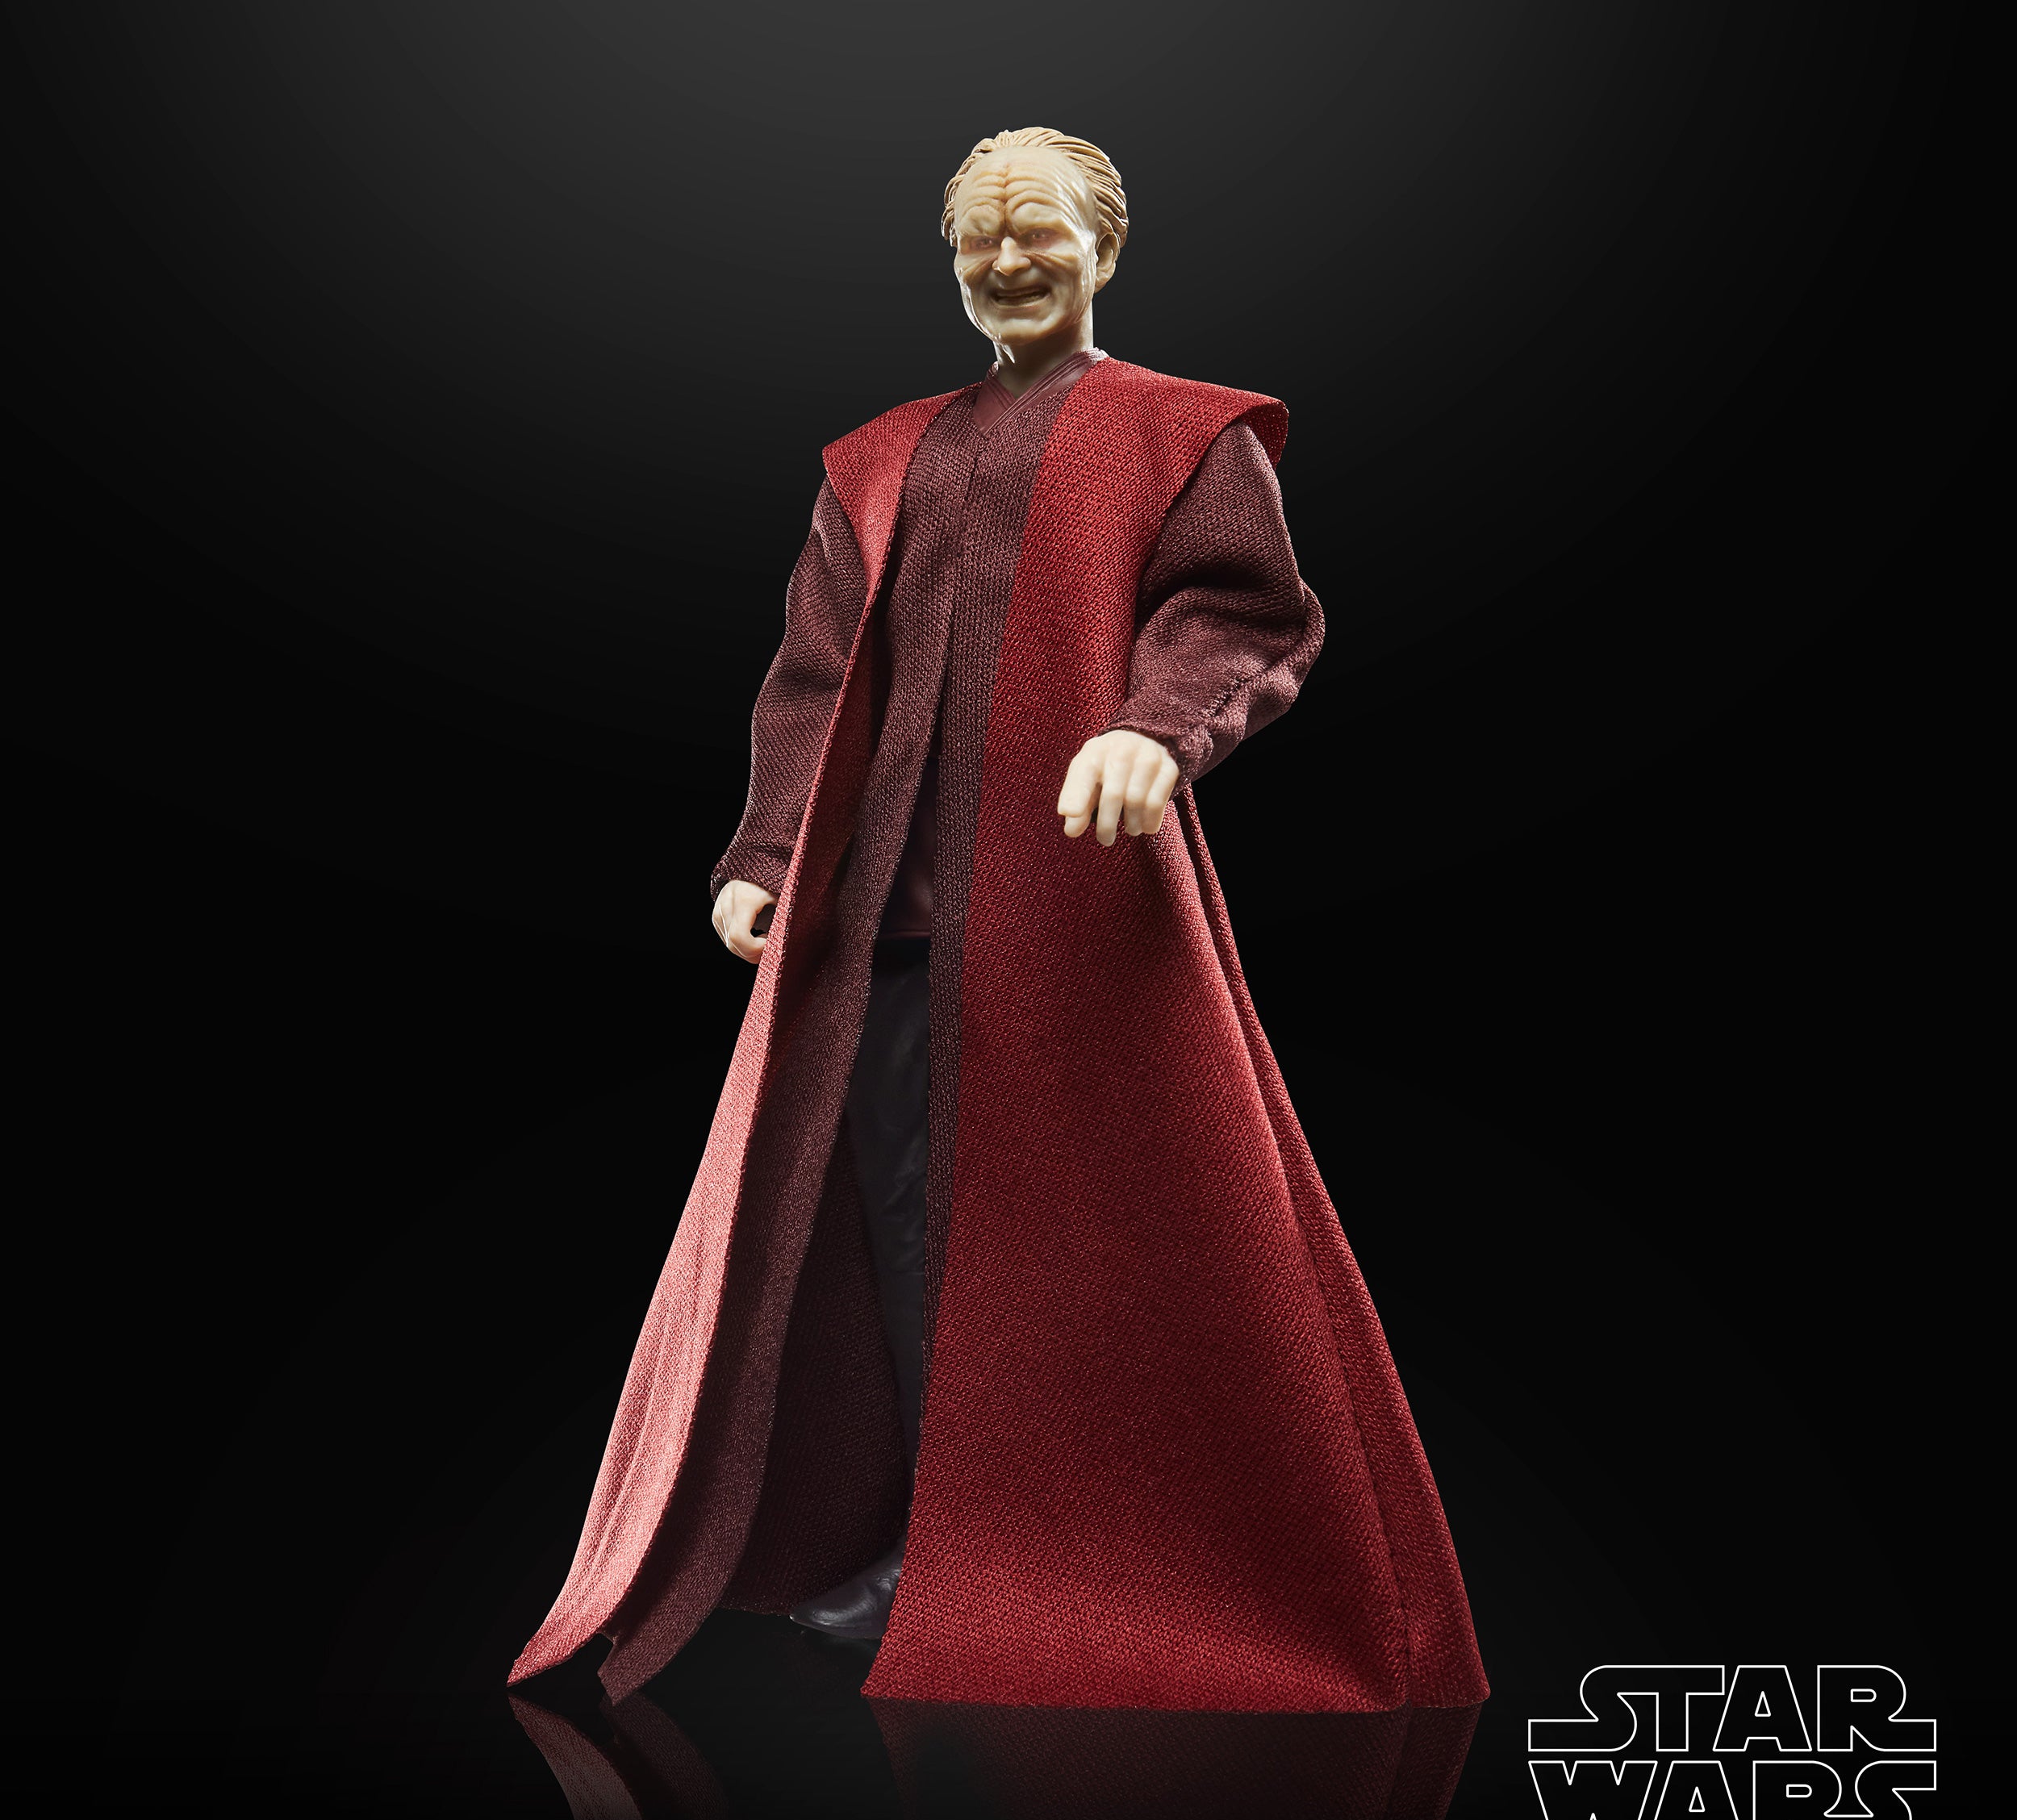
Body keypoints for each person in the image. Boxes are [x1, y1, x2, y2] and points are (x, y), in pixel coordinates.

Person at [510, 128, 1488, 1714]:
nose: (1008, 262)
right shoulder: (879, 456)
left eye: (1038, 231)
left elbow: (1240, 606)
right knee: (909, 1238)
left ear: (1104, 246)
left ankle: (1120, 1565)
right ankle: (930, 1550)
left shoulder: (1176, 430)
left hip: (1079, 921)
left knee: (1111, 1243)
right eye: (979, 238)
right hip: (889, 933)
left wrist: (1153, 729)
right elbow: (815, 670)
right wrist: (768, 847)